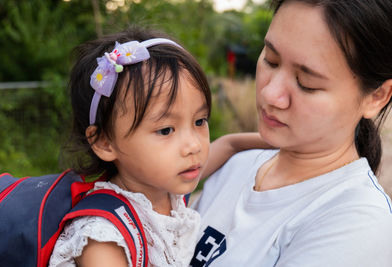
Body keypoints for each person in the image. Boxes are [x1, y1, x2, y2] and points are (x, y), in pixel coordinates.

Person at [191, 0, 392, 266]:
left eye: (306, 83)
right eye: (270, 60)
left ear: (377, 96)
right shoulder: (235, 167)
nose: (270, 94)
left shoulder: (358, 225)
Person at [48, 27, 270, 267]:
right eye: (166, 130)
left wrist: (288, 142)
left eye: (199, 121)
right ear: (104, 142)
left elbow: (229, 144)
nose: (194, 145)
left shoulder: (163, 187)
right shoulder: (103, 237)